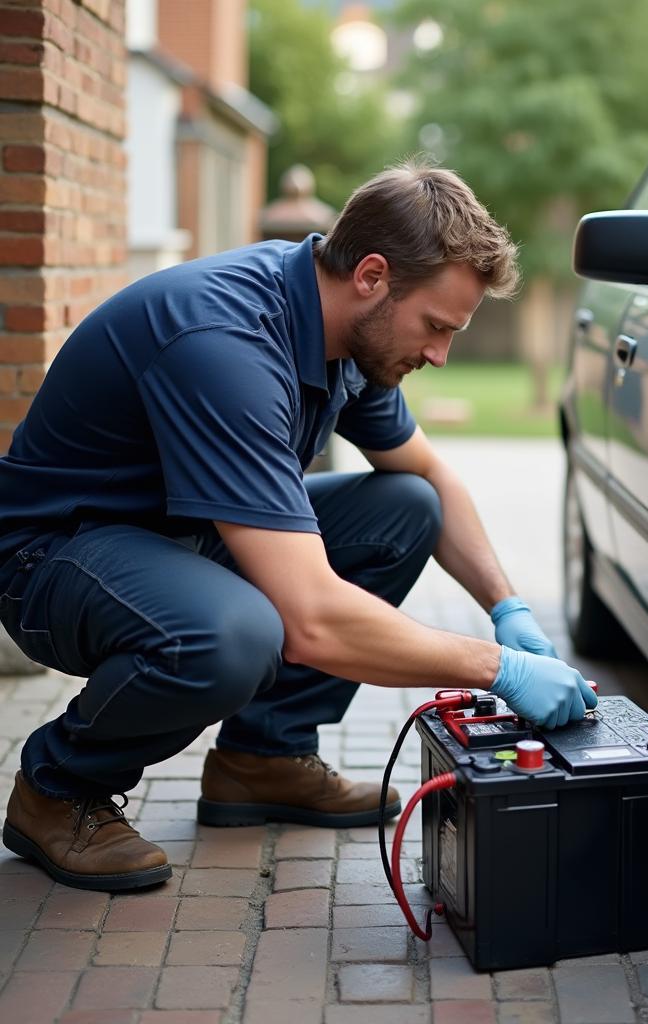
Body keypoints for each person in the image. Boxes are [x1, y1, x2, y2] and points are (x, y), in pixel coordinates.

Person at [0, 161, 597, 892]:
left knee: (406, 507)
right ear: (372, 276)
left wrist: (510, 611)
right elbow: (312, 620)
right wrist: (497, 668)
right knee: (233, 634)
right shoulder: (225, 344)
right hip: (54, 558)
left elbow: (434, 477)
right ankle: (57, 789)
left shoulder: (344, 333)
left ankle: (264, 759)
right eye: (436, 327)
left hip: (173, 540)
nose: (440, 355)